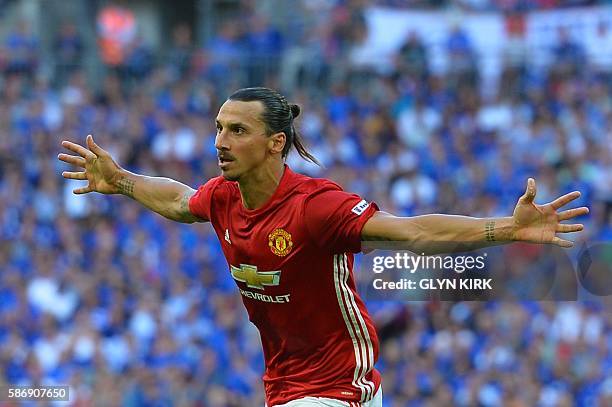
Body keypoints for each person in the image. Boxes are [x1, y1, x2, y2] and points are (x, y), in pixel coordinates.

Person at [58, 87, 588, 407]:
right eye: (218, 128)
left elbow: (414, 232)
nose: (219, 141)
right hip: (285, 386)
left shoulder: (317, 208)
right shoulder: (223, 198)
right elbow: (177, 201)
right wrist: (122, 180)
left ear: (274, 143)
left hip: (341, 386)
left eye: (236, 130)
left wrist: (507, 229)